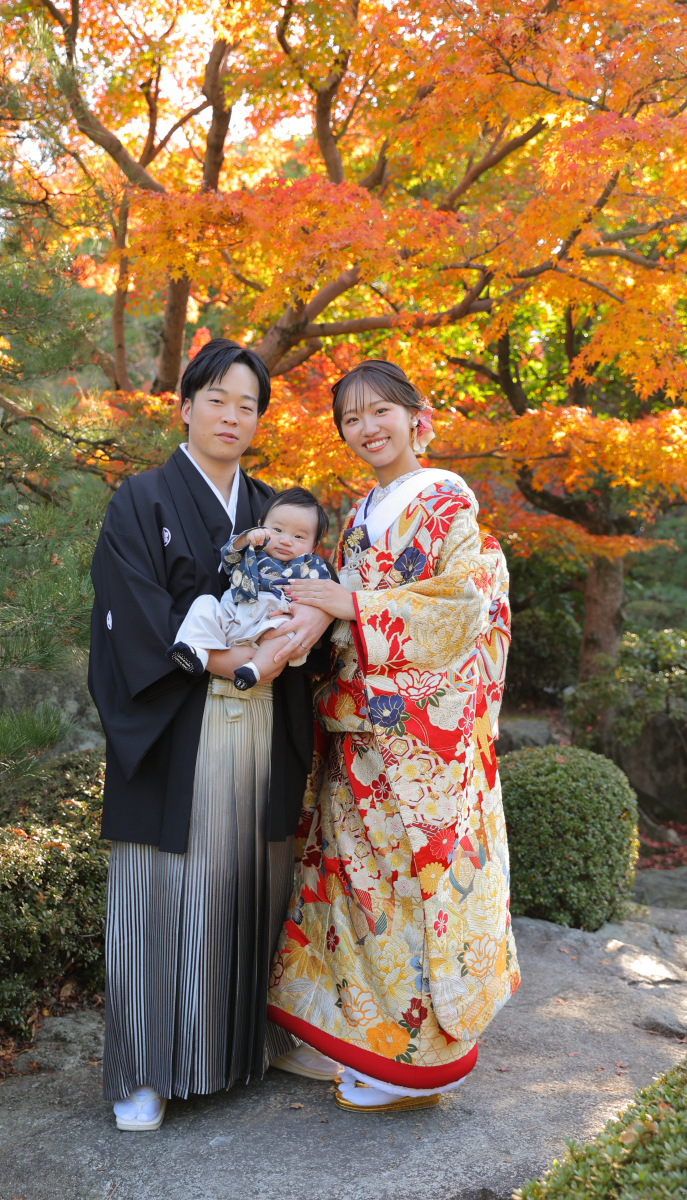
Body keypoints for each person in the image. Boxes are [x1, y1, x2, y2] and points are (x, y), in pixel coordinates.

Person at [88, 338, 340, 1133]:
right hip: (177, 726)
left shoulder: (273, 510)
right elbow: (131, 616)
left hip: (262, 731)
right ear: (186, 405)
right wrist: (241, 662)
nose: (233, 415)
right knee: (160, 896)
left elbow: (315, 596)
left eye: (248, 405)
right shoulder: (141, 499)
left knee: (241, 889)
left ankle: (232, 1055)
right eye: (219, 399)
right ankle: (145, 1070)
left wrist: (304, 627)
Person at [266, 359, 520, 1113]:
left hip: (419, 745)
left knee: (412, 896)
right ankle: (368, 1047)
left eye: (381, 411)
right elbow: (343, 606)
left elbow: (458, 606)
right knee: (360, 899)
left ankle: (417, 1062)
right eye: (351, 418)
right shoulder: (363, 508)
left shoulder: (445, 499)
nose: (367, 427)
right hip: (357, 736)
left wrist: (351, 601)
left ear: (419, 417)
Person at [168, 486, 332, 691]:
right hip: (233, 613)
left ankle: (254, 670)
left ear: (314, 545)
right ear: (261, 527)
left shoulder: (311, 566)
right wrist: (246, 539)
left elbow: (322, 596)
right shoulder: (252, 551)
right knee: (204, 603)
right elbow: (227, 558)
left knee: (286, 633)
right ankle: (198, 651)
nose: (286, 540)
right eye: (277, 530)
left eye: (299, 537)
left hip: (270, 623)